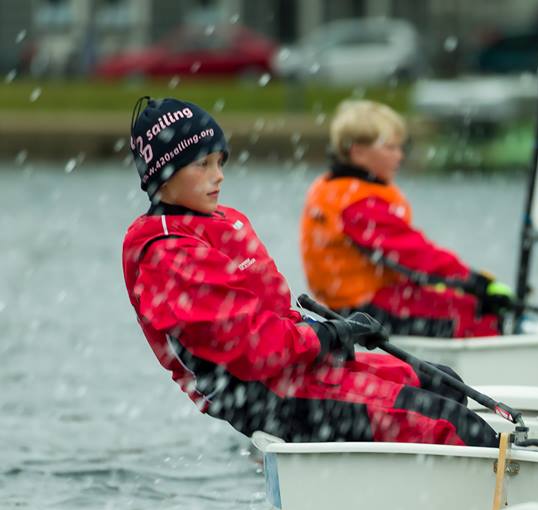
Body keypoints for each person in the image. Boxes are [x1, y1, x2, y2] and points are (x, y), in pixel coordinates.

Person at [121, 96, 499, 447]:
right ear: (163, 175)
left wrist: (331, 332)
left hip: (298, 367)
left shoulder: (223, 222)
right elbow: (257, 349)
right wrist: (331, 333)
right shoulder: (169, 255)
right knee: (454, 425)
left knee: (445, 384)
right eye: (202, 164)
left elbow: (274, 318)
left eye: (220, 162)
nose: (218, 176)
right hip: (268, 395)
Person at [300, 99, 515, 339]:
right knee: (478, 313)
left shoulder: (333, 189)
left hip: (351, 304)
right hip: (365, 310)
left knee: (462, 301)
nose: (399, 156)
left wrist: (463, 284)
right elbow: (412, 253)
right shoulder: (358, 203)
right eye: (390, 148)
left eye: (400, 147)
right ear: (358, 152)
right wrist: (475, 282)